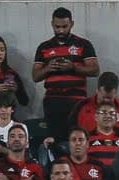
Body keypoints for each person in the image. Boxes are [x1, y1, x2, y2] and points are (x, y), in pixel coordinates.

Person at [32, 7, 100, 140]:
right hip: (52, 101)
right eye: (57, 27)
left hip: (77, 101)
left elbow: (95, 70)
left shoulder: (83, 44)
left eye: (65, 26)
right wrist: (48, 68)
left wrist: (73, 67)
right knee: (54, 139)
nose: (61, 30)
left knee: (76, 138)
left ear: (72, 24)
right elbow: (35, 76)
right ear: (52, 24)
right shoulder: (44, 47)